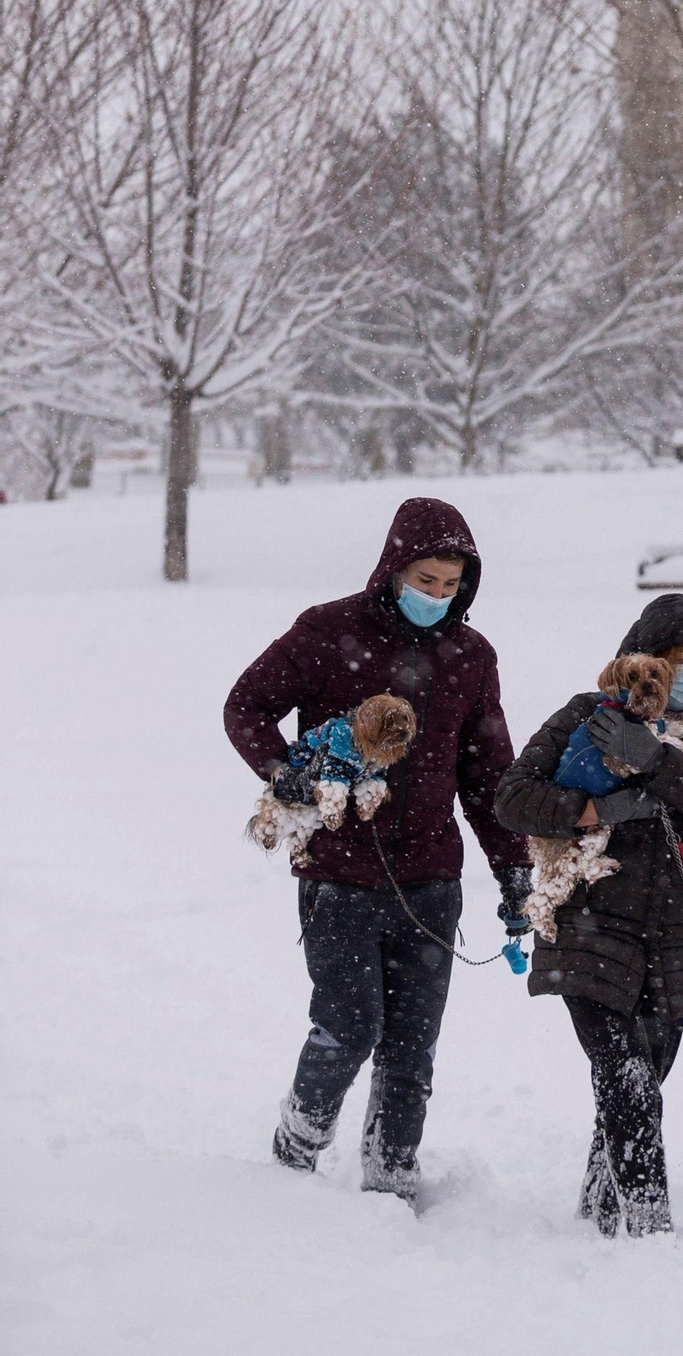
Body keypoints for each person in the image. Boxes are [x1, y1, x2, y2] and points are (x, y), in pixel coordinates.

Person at [223, 496, 534, 1201]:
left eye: (451, 586)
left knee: (411, 1048)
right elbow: (245, 706)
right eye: (426, 580)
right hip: (338, 873)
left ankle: (392, 1174)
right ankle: (298, 1143)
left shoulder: (470, 655)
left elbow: (488, 775)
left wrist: (515, 870)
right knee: (349, 1027)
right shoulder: (329, 631)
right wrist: (285, 772)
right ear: (394, 568)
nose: (438, 596)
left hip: (431, 877)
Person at [495, 591, 683, 1238]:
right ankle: (648, 1229)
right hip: (589, 921)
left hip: (678, 933)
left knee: (642, 1084)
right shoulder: (588, 714)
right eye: (677, 657)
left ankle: (600, 1214)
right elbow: (514, 797)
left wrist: (657, 762)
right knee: (627, 1076)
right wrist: (593, 811)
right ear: (641, 659)